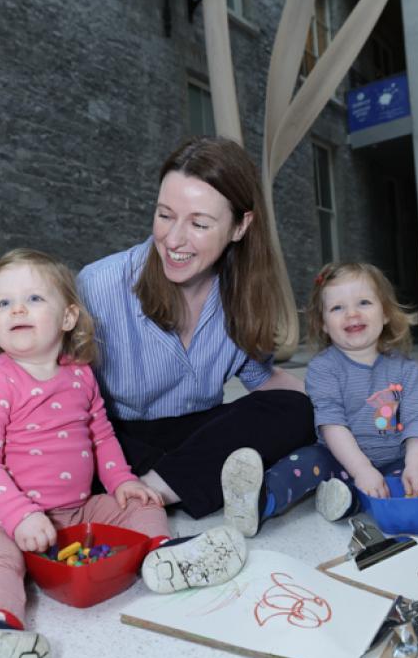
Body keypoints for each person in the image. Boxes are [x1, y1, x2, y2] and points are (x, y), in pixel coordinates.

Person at [0, 249, 246, 658]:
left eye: (33, 298)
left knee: (141, 503)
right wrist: (18, 515)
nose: (16, 310)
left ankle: (164, 555)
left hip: (78, 509)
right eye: (3, 303)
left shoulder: (80, 376)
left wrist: (121, 481)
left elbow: (101, 435)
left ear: (68, 317)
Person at [77, 136, 316, 526]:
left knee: (298, 410)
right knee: (73, 448)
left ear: (240, 226)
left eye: (199, 224)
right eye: (165, 215)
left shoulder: (242, 294)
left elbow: (263, 381)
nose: (173, 240)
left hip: (193, 437)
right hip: (115, 439)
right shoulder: (98, 285)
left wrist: (339, 406)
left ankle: (154, 490)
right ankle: (186, 482)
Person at [221, 261, 418, 535]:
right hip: (335, 459)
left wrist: (416, 467)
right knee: (300, 463)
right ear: (323, 323)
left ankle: (349, 500)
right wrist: (362, 470)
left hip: (394, 460)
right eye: (337, 308)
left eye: (364, 302)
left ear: (385, 313)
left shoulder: (407, 369)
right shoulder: (324, 368)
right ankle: (261, 501)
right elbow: (332, 425)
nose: (352, 313)